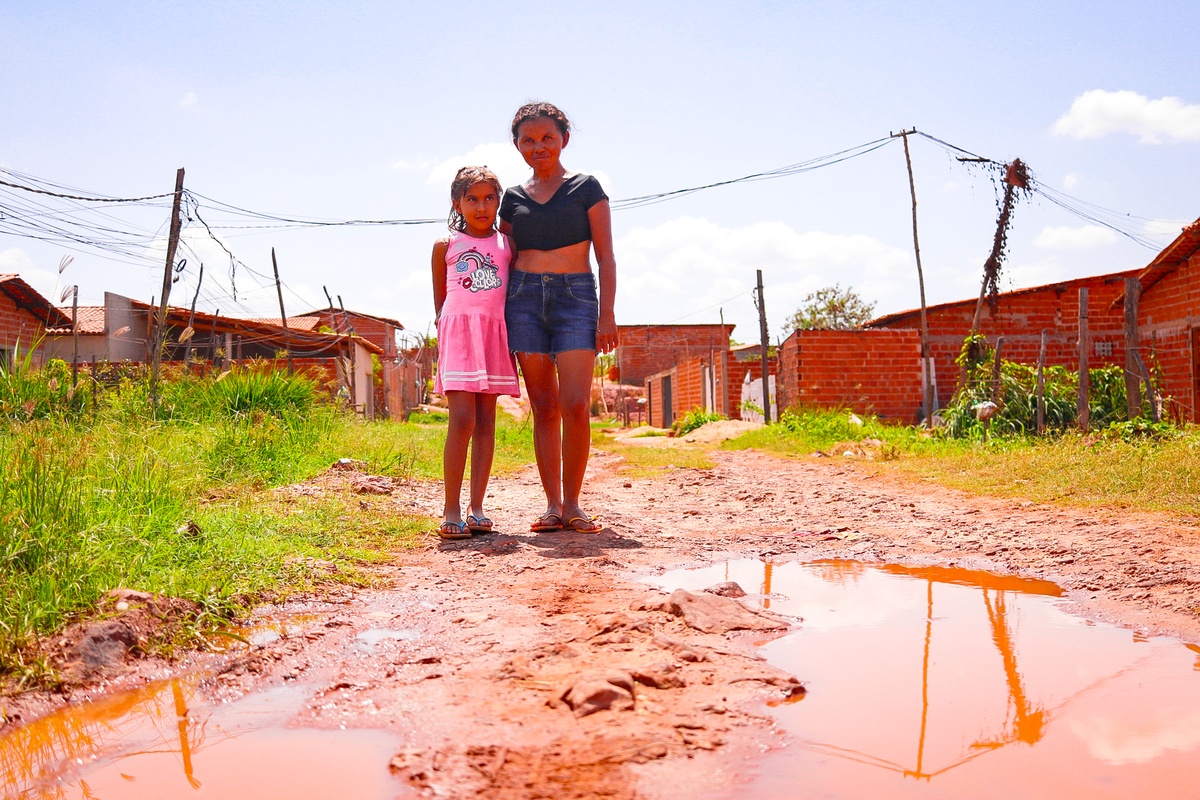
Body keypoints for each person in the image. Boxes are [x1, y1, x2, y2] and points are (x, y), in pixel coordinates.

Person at [499, 102, 618, 534]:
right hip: (524, 300)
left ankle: (573, 504)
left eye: (547, 137)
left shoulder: (587, 187)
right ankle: (552, 506)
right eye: (528, 140)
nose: (539, 146)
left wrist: (607, 314)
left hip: (576, 298)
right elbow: (503, 259)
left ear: (564, 138)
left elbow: (605, 256)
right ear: (517, 146)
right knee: (544, 407)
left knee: (575, 405)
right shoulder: (511, 199)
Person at [431, 166, 520, 539]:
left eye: (489, 198)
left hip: (493, 334)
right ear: (458, 203)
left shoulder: (507, 246)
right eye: (472, 199)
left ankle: (477, 507)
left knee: (486, 421)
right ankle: (451, 508)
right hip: (459, 334)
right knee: (462, 419)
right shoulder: (445, 245)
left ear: (498, 201)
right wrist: (447, 329)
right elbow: (441, 301)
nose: (481, 206)